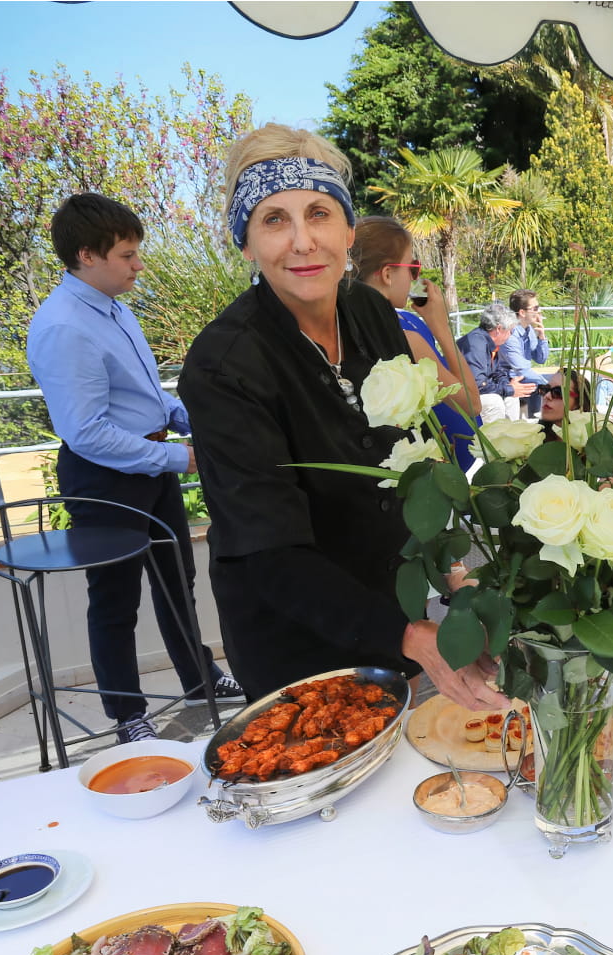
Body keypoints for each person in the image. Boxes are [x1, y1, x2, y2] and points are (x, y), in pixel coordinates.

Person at [176, 124, 503, 712]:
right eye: (274, 220)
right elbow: (268, 552)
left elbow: (414, 458)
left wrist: (458, 576)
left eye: (319, 214)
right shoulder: (223, 365)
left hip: (392, 606)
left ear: (349, 231)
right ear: (245, 243)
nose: (303, 242)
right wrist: (411, 636)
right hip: (292, 640)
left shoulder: (371, 313)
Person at [26, 193, 243, 745]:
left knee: (177, 583)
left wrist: (183, 417)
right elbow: (87, 432)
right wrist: (181, 456)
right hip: (105, 476)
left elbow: (141, 392)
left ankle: (200, 680)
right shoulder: (63, 326)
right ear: (86, 255)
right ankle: (128, 716)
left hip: (150, 463)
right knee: (116, 598)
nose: (138, 265)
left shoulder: (114, 306)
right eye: (127, 255)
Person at [352, 216, 480, 471]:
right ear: (387, 274)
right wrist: (440, 326)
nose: (414, 279)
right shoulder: (405, 338)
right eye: (412, 268)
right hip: (425, 477)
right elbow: (471, 403)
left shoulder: (343, 328)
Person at [456, 303, 528, 423]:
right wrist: (509, 389)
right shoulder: (475, 344)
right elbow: (477, 385)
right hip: (459, 397)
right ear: (499, 329)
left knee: (512, 398)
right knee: (494, 402)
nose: (511, 335)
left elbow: (498, 372)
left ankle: (511, 435)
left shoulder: (489, 343)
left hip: (473, 392)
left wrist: (509, 387)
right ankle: (493, 439)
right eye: (511, 330)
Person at [500, 289, 550, 419]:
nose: (539, 312)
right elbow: (521, 369)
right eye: (535, 308)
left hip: (521, 377)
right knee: (539, 386)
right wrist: (549, 386)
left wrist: (541, 336)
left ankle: (538, 423)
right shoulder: (510, 335)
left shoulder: (528, 330)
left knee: (538, 386)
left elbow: (541, 359)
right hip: (506, 379)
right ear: (522, 312)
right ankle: (538, 425)